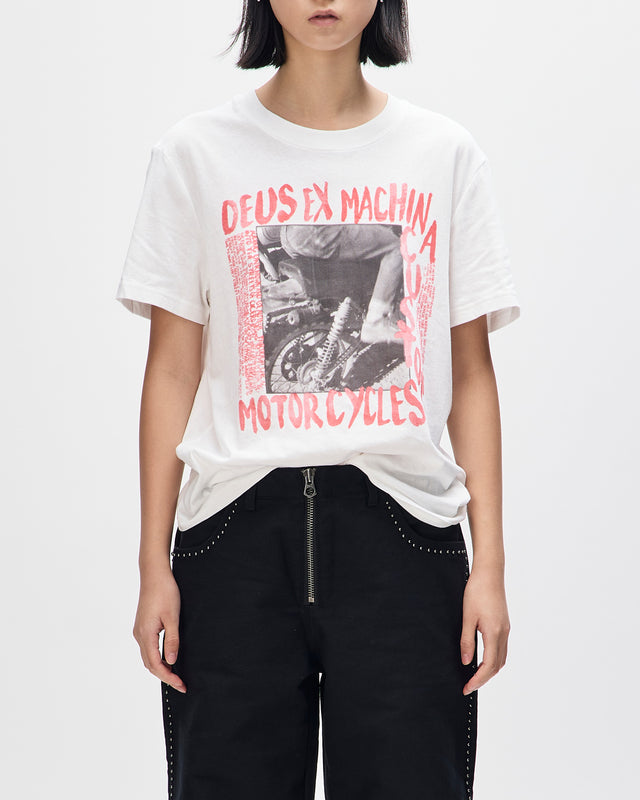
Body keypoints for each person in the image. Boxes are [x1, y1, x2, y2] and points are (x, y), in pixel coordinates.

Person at [115, 2, 521, 798]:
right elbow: (171, 370)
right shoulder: (196, 154)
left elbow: (472, 373)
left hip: (404, 539)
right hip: (233, 541)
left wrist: (492, 568)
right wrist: (151, 564)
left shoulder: (443, 155)